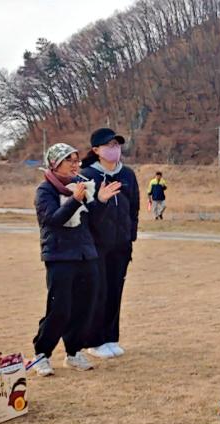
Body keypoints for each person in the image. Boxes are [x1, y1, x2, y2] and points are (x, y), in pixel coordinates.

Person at [32, 144, 116, 374]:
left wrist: (100, 201)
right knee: (60, 308)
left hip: (85, 254)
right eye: (69, 160)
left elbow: (93, 222)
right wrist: (75, 200)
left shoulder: (82, 187)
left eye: (77, 160)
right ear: (55, 163)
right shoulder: (45, 191)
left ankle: (74, 351)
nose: (75, 164)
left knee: (85, 306)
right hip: (59, 256)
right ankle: (42, 353)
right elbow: (53, 220)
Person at [80, 127, 139, 360]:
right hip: (96, 245)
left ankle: (111, 337)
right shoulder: (87, 176)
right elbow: (83, 212)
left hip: (121, 245)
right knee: (98, 292)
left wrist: (130, 236)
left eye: (117, 145)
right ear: (96, 150)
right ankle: (94, 341)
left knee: (116, 290)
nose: (114, 149)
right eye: (109, 145)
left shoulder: (128, 175)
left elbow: (133, 208)